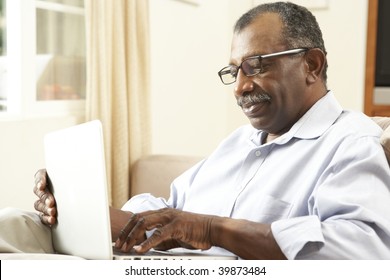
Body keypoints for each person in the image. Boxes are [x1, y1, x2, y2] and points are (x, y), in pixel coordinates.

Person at [6, 1, 390, 259]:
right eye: (234, 71)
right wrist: (85, 212)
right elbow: (169, 211)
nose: (240, 86)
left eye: (256, 65)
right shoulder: (238, 142)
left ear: (312, 64)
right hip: (153, 264)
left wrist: (213, 229)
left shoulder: (350, 142)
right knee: (14, 223)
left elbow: (363, 250)